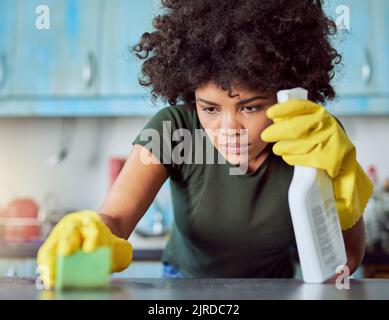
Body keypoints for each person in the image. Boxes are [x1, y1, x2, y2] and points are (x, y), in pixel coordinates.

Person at [37, 0, 373, 287]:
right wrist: (92, 230)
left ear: (288, 94)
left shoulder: (313, 138)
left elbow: (346, 263)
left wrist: (343, 193)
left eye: (251, 107)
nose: (229, 128)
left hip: (276, 288)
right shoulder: (173, 130)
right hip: (184, 285)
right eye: (210, 108)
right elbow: (116, 218)